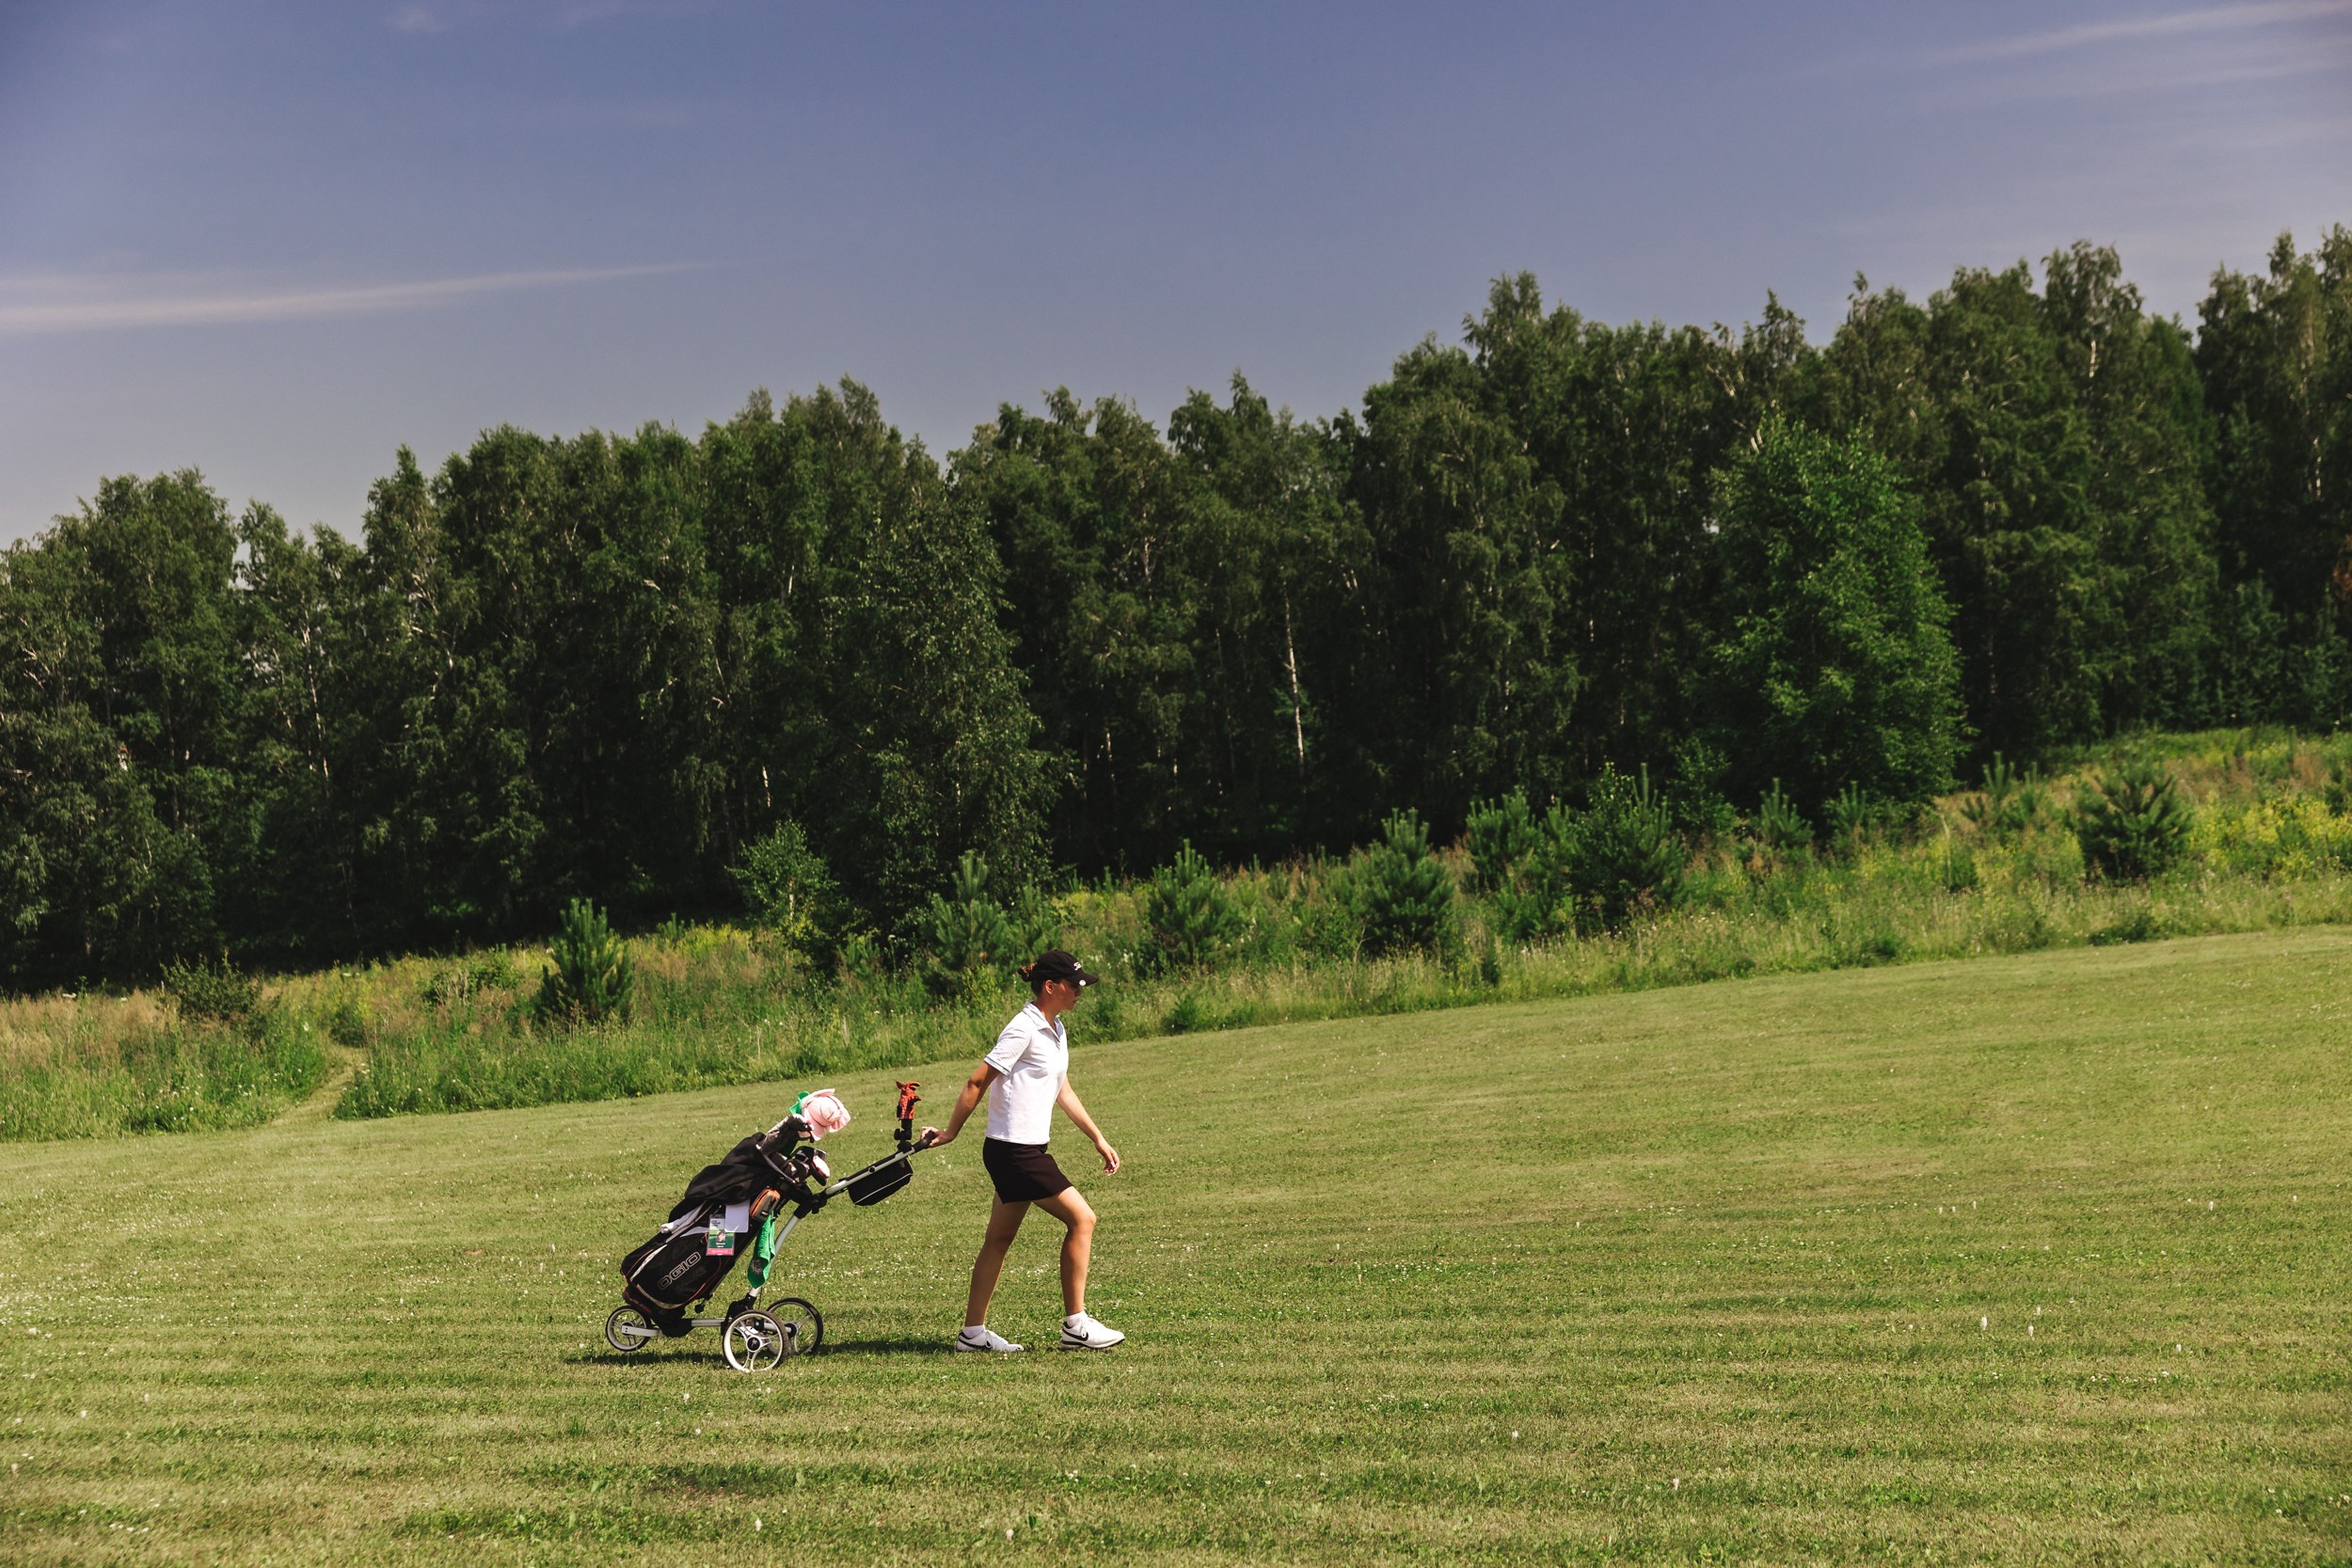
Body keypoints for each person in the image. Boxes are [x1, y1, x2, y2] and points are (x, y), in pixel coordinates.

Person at [923, 949, 1125, 1352]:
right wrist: (950, 1133)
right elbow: (976, 1082)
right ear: (1050, 987)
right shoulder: (1023, 1028)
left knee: (998, 1239)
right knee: (1083, 1220)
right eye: (1074, 985)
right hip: (1015, 1152)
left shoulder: (1056, 1029)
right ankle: (1076, 1326)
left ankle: (972, 1334)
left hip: (1022, 1149)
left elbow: (1061, 1089)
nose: (1079, 992)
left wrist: (1098, 1138)